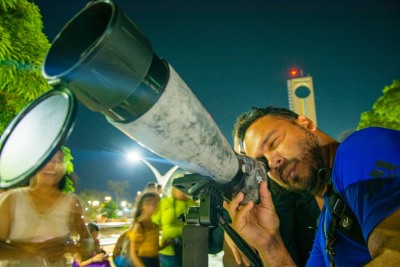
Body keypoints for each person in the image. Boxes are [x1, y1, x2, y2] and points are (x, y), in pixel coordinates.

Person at [224, 106, 400, 266]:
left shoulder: (359, 148)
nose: (273, 162)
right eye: (263, 163)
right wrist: (270, 245)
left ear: (306, 124)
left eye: (274, 142)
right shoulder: (325, 225)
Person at [222, 114, 322, 267]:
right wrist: (232, 233)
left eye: (273, 142)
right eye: (244, 159)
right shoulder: (247, 208)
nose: (272, 162)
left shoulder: (306, 185)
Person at [0, 147, 93, 266]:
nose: (53, 165)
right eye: (46, 159)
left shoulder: (71, 202)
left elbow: (88, 240)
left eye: (59, 160)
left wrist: (72, 248)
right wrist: (29, 251)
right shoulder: (12, 199)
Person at [152, 173, 198, 267]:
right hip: (168, 251)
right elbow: (154, 223)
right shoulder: (165, 202)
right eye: (179, 187)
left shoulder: (194, 205)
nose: (182, 190)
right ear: (173, 187)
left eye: (185, 187)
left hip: (188, 251)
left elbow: (198, 228)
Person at [129, 192, 162, 267]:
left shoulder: (154, 224)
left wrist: (166, 244)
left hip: (154, 260)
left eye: (157, 204)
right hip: (143, 261)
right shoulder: (139, 225)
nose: (156, 206)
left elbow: (151, 247)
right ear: (143, 206)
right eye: (153, 204)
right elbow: (133, 253)